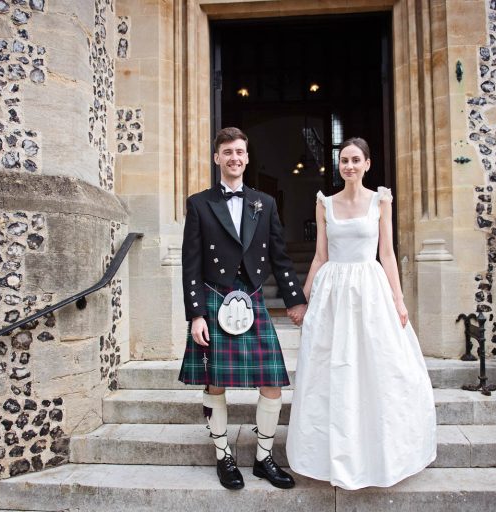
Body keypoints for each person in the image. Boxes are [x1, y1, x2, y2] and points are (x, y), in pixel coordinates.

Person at [286, 137, 437, 490]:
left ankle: (379, 453)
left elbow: (387, 253)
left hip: (370, 289)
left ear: (367, 164)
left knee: (379, 365)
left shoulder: (381, 200)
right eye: (344, 160)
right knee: (330, 368)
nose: (349, 166)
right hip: (332, 291)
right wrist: (301, 299)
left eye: (356, 159)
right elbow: (320, 256)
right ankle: (329, 454)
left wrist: (399, 300)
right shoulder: (324, 203)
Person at [179, 127, 308, 491]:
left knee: (272, 382)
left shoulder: (264, 203)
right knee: (215, 382)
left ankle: (264, 458)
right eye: (227, 152)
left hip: (251, 298)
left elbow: (280, 257)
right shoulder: (199, 203)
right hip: (214, 297)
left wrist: (295, 300)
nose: (234, 158)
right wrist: (196, 314)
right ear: (217, 158)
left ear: (247, 158)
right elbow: (191, 263)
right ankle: (223, 456)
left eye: (239, 152)